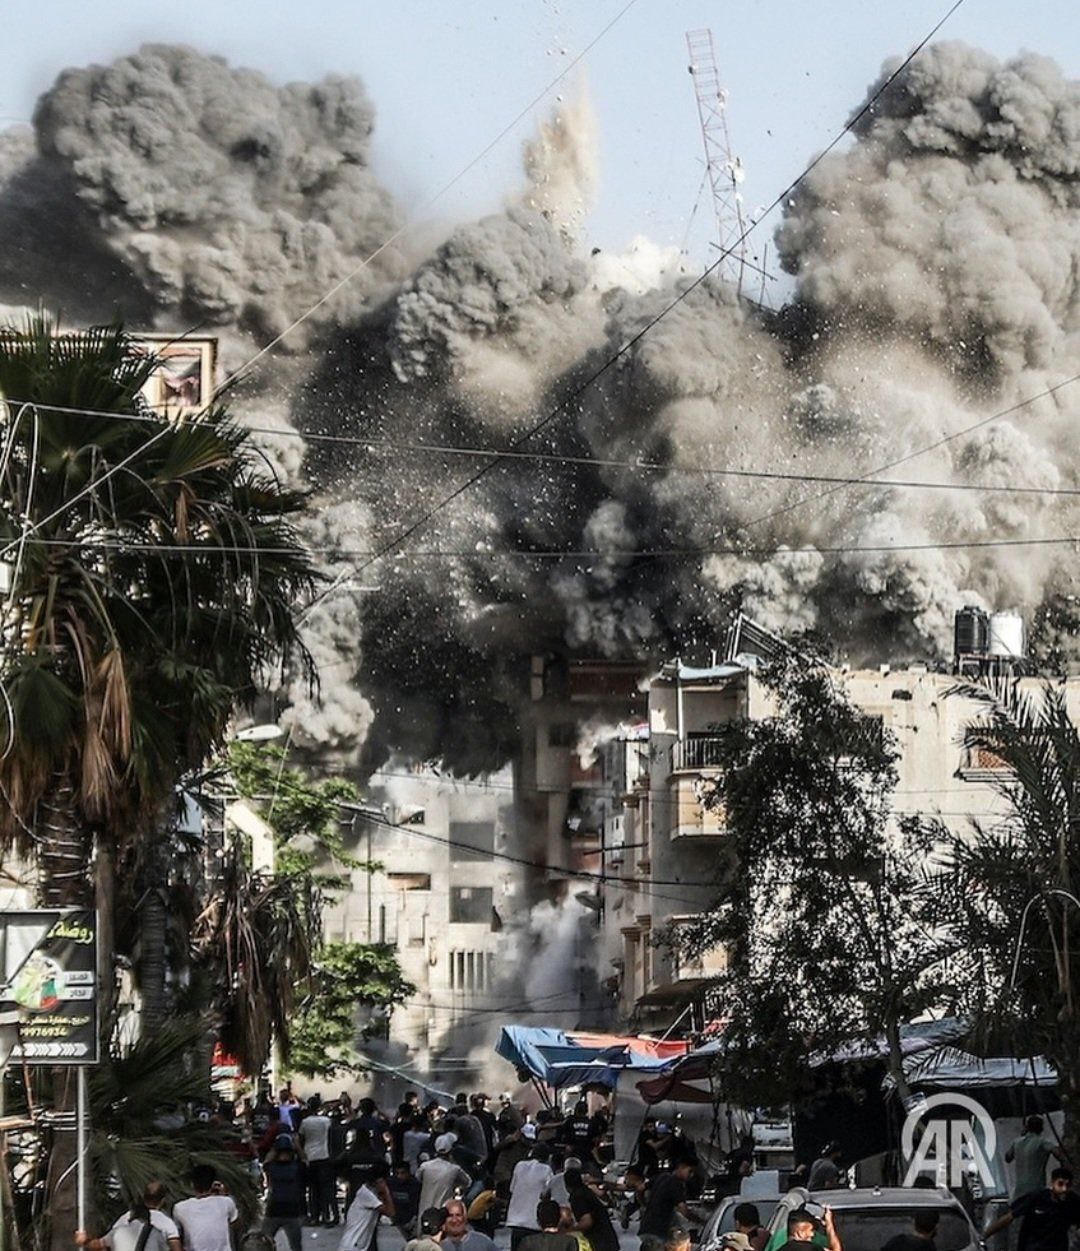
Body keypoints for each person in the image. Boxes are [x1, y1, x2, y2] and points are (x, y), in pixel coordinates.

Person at [985, 1167, 1080, 1251]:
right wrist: (985, 1235)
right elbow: (1009, 1217)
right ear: (1052, 1183)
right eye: (1060, 1184)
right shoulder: (1037, 1197)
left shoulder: (1072, 1202)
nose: (1064, 1189)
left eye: (1068, 1185)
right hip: (1032, 1247)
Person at [76, 1182, 180, 1251]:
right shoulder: (165, 1225)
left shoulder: (123, 1222)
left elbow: (98, 1245)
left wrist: (84, 1240)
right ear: (162, 1200)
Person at [172, 1165, 238, 1251]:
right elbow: (234, 1225)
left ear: (192, 1183)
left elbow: (176, 1237)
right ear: (213, 1183)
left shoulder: (179, 1207)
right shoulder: (226, 1202)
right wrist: (224, 1195)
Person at [507, 1142, 555, 1251]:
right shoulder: (547, 1170)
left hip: (516, 1221)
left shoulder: (519, 1166)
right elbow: (547, 1194)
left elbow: (511, 1189)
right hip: (534, 1222)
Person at [262, 1134, 307, 1251]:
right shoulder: (297, 1167)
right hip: (292, 1211)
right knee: (296, 1246)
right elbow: (304, 1160)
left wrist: (275, 1147)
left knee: (264, 1243)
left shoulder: (272, 1167)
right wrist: (297, 1146)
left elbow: (266, 1161)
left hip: (273, 1210)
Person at [340, 1165, 395, 1251]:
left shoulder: (371, 1193)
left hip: (358, 1245)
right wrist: (386, 1191)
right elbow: (391, 1212)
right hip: (352, 1246)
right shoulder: (367, 1195)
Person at [1006, 1117, 1063, 1201]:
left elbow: (1008, 1158)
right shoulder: (1043, 1142)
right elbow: (1060, 1155)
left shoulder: (1017, 1142)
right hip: (1036, 1190)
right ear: (1042, 1128)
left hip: (1019, 1191)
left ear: (1027, 1127)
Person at [638, 1159, 696, 1241]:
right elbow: (683, 1210)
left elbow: (640, 1188)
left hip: (646, 1227)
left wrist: (643, 1204)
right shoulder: (676, 1184)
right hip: (659, 1231)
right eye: (690, 1171)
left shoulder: (662, 1176)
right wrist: (698, 1220)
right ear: (681, 1167)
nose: (691, 1175)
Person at [298, 1098, 335, 1226]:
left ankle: (314, 1216)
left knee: (313, 1189)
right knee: (324, 1188)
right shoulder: (326, 1120)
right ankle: (326, 1215)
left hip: (310, 1157)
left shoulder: (305, 1122)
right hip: (324, 1156)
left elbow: (300, 1138)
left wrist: (302, 1156)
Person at [564, 1167, 619, 1251]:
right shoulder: (585, 1191)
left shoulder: (577, 1197)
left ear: (566, 1185)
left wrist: (569, 1231)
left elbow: (587, 1221)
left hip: (599, 1242)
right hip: (607, 1239)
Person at [419, 1134, 472, 1213]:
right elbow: (468, 1182)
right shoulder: (454, 1169)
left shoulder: (424, 1166)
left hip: (425, 1210)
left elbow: (418, 1178)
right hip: (443, 1211)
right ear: (451, 1150)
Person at [777, 1207, 842, 1251]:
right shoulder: (811, 1248)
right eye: (811, 1230)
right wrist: (829, 1224)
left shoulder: (781, 1249)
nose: (812, 1234)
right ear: (800, 1233)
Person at [390, 1161, 423, 1234]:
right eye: (397, 1173)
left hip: (410, 1222)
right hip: (394, 1221)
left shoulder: (415, 1185)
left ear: (408, 1173)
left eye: (402, 1173)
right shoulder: (391, 1183)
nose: (399, 1176)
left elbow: (418, 1204)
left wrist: (413, 1220)